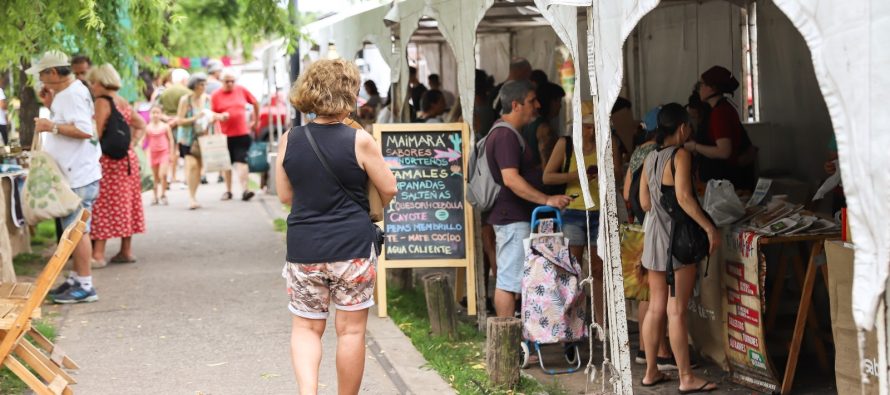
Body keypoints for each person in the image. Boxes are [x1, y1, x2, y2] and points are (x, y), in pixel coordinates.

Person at [277, 58, 397, 395]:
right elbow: (388, 188)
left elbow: (286, 195)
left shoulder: (291, 139)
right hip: (353, 249)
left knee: (305, 328)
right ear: (349, 93)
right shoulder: (359, 141)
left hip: (304, 248)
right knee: (351, 332)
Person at [639, 103, 718, 392]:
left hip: (654, 241)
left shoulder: (650, 157)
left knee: (656, 307)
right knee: (677, 311)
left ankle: (650, 372)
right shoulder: (681, 155)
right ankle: (686, 377)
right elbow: (685, 197)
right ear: (683, 128)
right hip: (678, 243)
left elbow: (645, 203)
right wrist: (709, 228)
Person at [486, 80, 572, 318]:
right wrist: (547, 199)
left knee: (513, 280)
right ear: (516, 105)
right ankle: (507, 346)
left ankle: (514, 344)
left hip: (514, 217)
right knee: (508, 282)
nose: (538, 105)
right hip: (511, 218)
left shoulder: (508, 132)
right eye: (532, 101)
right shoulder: (505, 135)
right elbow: (511, 179)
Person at [29, 51, 102, 304]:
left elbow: (84, 130)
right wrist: (51, 106)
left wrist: (52, 126)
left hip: (78, 175)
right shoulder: (66, 93)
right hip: (73, 173)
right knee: (71, 229)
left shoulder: (72, 94)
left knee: (76, 230)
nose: (41, 80)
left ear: (53, 73)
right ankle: (77, 277)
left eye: (42, 75)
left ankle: (85, 283)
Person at [542, 114, 618, 325]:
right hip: (573, 211)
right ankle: (572, 321)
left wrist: (604, 173)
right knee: (572, 269)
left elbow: (618, 174)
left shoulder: (608, 141)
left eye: (595, 127)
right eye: (586, 127)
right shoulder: (566, 144)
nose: (591, 132)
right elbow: (547, 176)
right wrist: (577, 176)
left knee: (598, 269)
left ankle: (602, 322)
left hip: (600, 212)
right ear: (577, 126)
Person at [86, 64, 147, 267]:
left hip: (108, 160)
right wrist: (132, 143)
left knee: (103, 204)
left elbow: (98, 132)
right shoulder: (122, 101)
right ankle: (126, 250)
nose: (91, 87)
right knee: (127, 202)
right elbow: (140, 124)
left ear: (102, 82)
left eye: (93, 82)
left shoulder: (102, 102)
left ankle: (98, 254)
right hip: (127, 159)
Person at [684, 65, 756, 190]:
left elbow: (724, 151)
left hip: (726, 180)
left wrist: (695, 146)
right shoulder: (719, 109)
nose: (699, 89)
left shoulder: (720, 112)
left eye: (701, 85)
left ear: (712, 88)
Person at [178, 73, 226, 209]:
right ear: (194, 85)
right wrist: (195, 117)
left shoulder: (207, 100)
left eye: (205, 84)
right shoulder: (185, 100)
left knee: (198, 169)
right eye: (201, 84)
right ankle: (191, 198)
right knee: (192, 166)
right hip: (188, 139)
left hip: (203, 138)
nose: (204, 87)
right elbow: (179, 120)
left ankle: (194, 195)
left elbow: (211, 115)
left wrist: (220, 117)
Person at [211, 69, 259, 202]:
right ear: (221, 81)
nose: (230, 83)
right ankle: (228, 191)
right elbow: (210, 114)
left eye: (233, 81)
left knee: (242, 161)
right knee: (226, 164)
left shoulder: (241, 90)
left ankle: (245, 190)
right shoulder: (215, 95)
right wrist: (220, 116)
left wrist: (256, 120)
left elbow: (255, 102)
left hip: (242, 133)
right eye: (227, 81)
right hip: (224, 135)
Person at [522, 82, 565, 169]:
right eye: (558, 101)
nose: (560, 106)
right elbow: (547, 165)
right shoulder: (544, 128)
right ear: (551, 102)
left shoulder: (529, 123)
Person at [144, 105, 176, 205]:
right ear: (150, 114)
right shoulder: (148, 127)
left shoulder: (165, 126)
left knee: (163, 174)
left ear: (161, 114)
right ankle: (155, 195)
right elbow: (144, 142)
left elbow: (171, 140)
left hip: (164, 152)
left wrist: (171, 153)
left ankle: (163, 194)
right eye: (153, 112)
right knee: (154, 177)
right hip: (153, 154)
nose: (155, 115)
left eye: (157, 112)